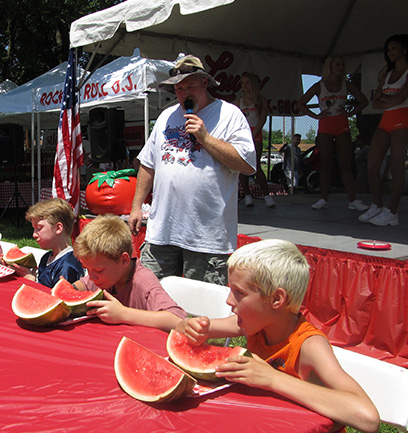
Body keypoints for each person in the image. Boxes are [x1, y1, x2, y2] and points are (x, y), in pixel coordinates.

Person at [175, 239, 380, 433]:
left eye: (239, 292)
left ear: (276, 299)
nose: (229, 300)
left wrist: (272, 379)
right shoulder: (254, 326)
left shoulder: (309, 345)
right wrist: (197, 327)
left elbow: (368, 418)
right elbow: (201, 328)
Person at [128, 54, 256, 285]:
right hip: (162, 232)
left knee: (202, 310)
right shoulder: (166, 117)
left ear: (205, 83)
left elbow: (246, 164)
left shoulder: (229, 115)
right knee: (149, 296)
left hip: (206, 238)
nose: (184, 93)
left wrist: (205, 137)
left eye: (190, 86)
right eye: (179, 88)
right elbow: (148, 164)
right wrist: (136, 206)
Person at [72, 215, 186, 332]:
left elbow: (177, 320)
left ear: (124, 260)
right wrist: (69, 289)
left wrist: (123, 313)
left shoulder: (143, 281)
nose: (91, 277)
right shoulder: (103, 275)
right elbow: (81, 285)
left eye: (98, 270)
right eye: (86, 268)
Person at [298, 54, 369, 211]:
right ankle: (323, 198)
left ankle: (353, 200)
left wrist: (350, 113)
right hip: (325, 127)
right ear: (330, 66)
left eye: (342, 64)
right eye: (337, 64)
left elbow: (364, 101)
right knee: (325, 164)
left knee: (346, 164)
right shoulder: (320, 85)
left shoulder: (347, 84)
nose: (341, 67)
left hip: (342, 126)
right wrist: (316, 115)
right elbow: (301, 103)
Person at [359, 34, 408, 226]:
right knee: (372, 165)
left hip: (403, 121)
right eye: (388, 50)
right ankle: (377, 205)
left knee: (396, 167)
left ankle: (392, 211)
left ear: (404, 49)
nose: (390, 53)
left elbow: (400, 99)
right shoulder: (387, 74)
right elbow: (375, 102)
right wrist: (390, 100)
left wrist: (387, 100)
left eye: (393, 48)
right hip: (385, 121)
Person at [13, 198, 84, 286]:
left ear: (58, 228)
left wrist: (31, 282)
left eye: (39, 228)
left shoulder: (68, 265)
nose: (34, 235)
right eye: (34, 229)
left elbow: (58, 297)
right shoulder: (46, 258)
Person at [236, 72, 275, 208]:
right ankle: (247, 195)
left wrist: (254, 133)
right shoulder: (238, 101)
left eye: (247, 82)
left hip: (255, 133)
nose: (244, 85)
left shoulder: (260, 100)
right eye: (242, 83)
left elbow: (263, 119)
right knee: (242, 165)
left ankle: (267, 196)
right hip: (242, 134)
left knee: (256, 165)